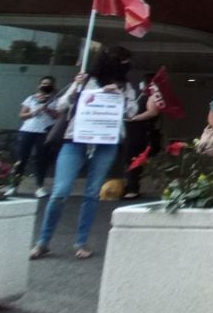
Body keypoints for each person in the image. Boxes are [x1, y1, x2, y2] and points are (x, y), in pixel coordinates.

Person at [30, 46, 138, 260]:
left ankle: (81, 242)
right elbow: (61, 104)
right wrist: (77, 87)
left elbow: (132, 112)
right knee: (60, 191)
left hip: (106, 141)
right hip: (75, 139)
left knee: (91, 193)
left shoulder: (125, 87)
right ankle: (43, 241)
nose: (125, 65)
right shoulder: (85, 80)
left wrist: (120, 98)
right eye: (122, 61)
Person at [12, 75, 58, 197]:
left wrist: (47, 108)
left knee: (41, 159)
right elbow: (21, 115)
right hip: (27, 130)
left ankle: (39, 187)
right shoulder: (31, 98)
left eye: (49, 84)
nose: (46, 86)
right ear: (39, 85)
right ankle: (13, 186)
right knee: (21, 158)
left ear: (53, 87)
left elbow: (57, 116)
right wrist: (34, 112)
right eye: (43, 83)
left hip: (44, 132)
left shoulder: (55, 100)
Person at [121, 72, 162, 199]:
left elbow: (152, 112)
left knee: (134, 159)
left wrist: (134, 118)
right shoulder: (141, 95)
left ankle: (133, 187)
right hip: (133, 131)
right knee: (130, 158)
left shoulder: (153, 96)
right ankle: (130, 185)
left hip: (141, 132)